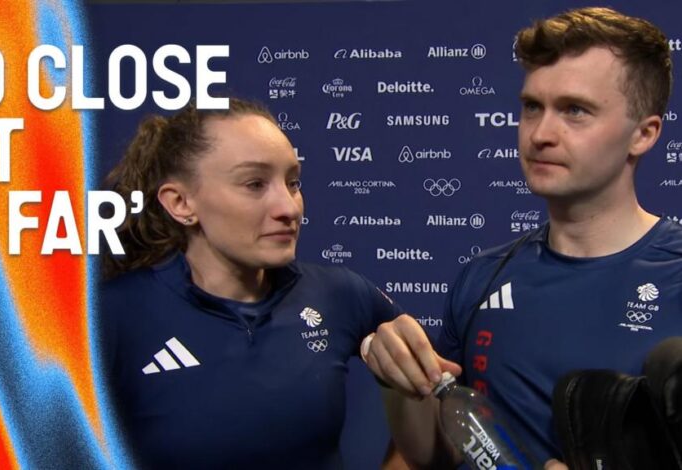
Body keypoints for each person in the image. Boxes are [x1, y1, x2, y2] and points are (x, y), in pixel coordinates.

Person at [362, 7, 682, 469]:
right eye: (532, 106)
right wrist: (398, 386)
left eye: (575, 110)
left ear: (643, 134)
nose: (541, 134)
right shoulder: (483, 277)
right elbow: (437, 456)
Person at [98, 98, 455, 469]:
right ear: (180, 203)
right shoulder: (112, 318)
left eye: (293, 183)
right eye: (254, 184)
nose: (289, 208)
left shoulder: (340, 294)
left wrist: (403, 388)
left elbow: (436, 452)